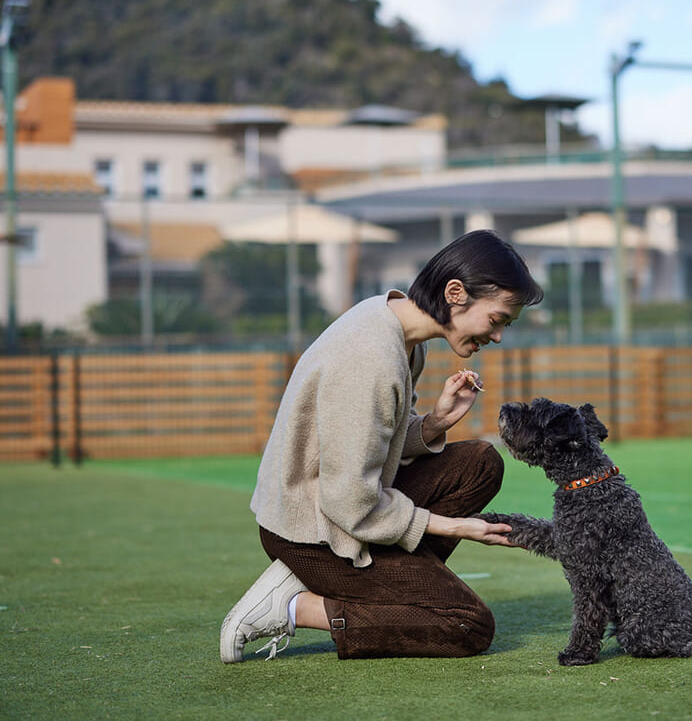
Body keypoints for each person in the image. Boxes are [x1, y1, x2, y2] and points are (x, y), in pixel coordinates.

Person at [220, 229, 544, 662]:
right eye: (498, 318)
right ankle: (293, 605)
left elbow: (368, 443)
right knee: (465, 623)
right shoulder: (371, 358)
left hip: (335, 509)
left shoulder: (394, 324)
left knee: (480, 463)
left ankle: (393, 586)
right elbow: (350, 504)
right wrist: (455, 526)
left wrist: (433, 424)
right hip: (312, 533)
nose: (499, 335)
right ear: (455, 294)